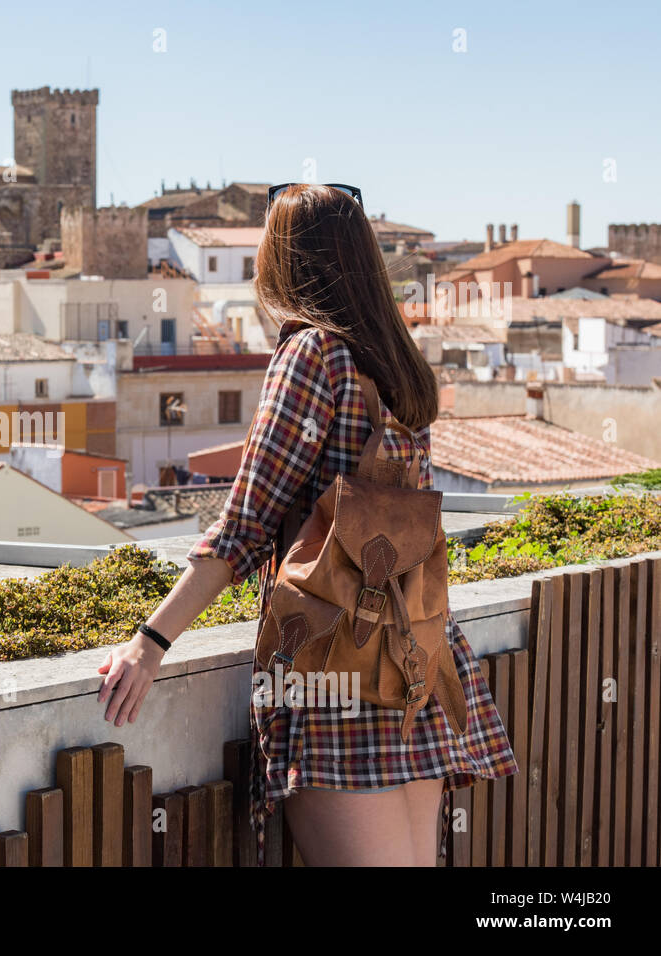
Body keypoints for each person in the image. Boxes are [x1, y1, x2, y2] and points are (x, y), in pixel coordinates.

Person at [96, 183, 517, 866]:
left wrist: (150, 641)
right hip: (416, 658)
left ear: (280, 262)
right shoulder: (398, 368)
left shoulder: (312, 356)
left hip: (337, 665)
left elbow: (246, 522)